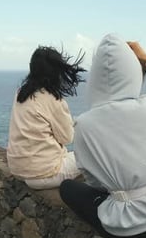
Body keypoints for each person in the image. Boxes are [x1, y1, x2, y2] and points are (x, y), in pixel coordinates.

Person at [59, 33, 146, 238]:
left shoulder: (84, 124)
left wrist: (121, 185)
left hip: (129, 231)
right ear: (133, 73)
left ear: (96, 79)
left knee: (67, 188)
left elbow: (93, 181)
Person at [7, 46, 86, 189]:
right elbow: (67, 138)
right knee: (90, 155)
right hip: (46, 174)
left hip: (19, 169)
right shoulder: (53, 100)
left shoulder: (21, 93)